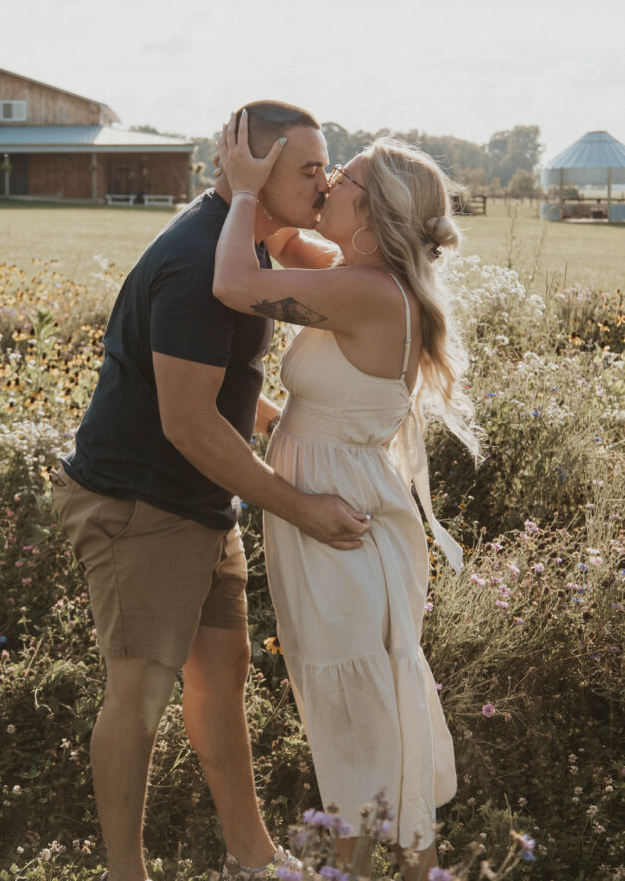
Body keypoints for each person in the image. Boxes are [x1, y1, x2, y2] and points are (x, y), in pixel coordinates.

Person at [50, 101, 371, 881]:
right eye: (307, 168)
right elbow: (188, 422)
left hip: (197, 501)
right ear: (252, 170)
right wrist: (301, 505)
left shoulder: (249, 239)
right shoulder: (200, 262)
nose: (322, 180)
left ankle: (251, 857)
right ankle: (124, 873)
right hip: (138, 505)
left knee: (220, 681)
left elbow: (225, 379)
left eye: (326, 167)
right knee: (139, 694)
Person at [213, 112, 481, 881]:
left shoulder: (366, 290)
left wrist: (238, 196)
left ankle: (361, 869)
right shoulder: (360, 276)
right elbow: (291, 242)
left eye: (345, 178)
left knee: (356, 702)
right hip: (332, 495)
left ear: (373, 212)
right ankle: (389, 868)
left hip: (337, 513)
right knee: (354, 697)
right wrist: (267, 189)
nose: (329, 183)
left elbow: (235, 281)